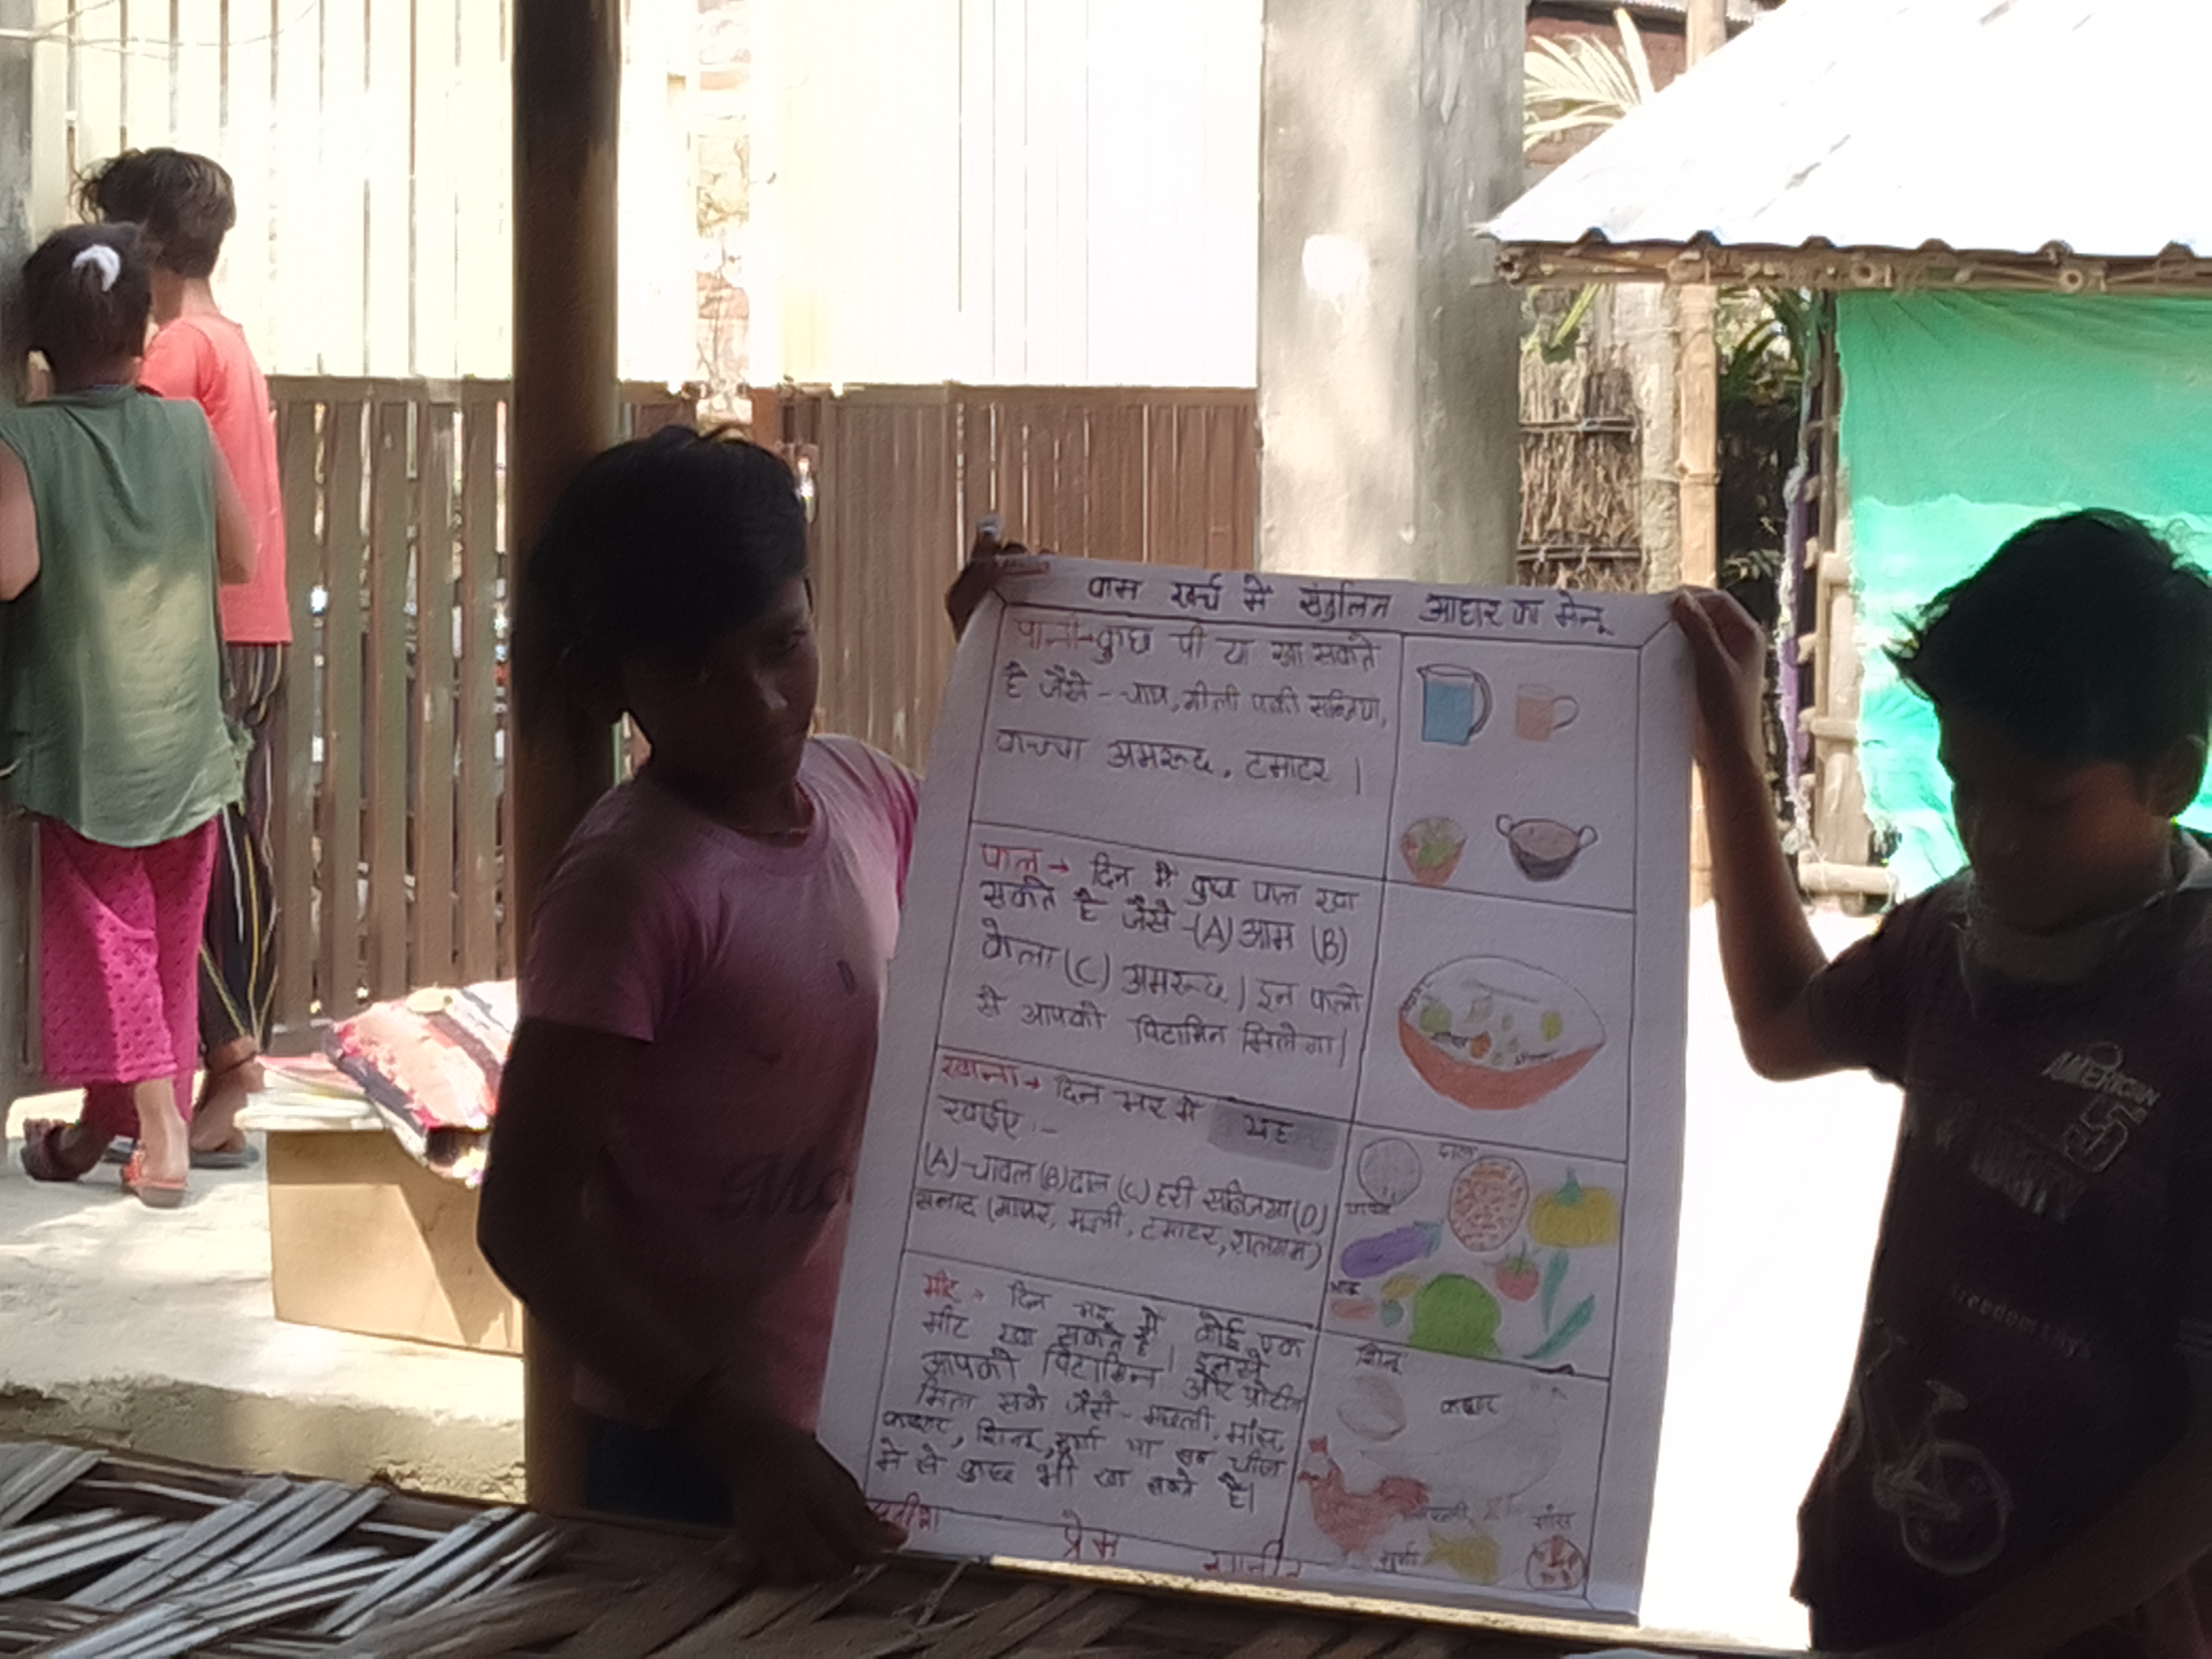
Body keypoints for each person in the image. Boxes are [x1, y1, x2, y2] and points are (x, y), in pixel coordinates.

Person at [477, 431, 1017, 1577]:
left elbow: (1012, 864)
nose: (762, 703)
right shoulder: (629, 890)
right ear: (610, 682)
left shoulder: (864, 792)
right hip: (695, 1452)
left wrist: (1005, 664)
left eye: (783, 645)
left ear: (812, 607)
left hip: (869, 1408)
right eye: (694, 674)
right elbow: (524, 1219)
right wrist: (731, 1434)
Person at [1678, 511, 2212, 1657]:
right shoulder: (1953, 932)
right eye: (1967, 788)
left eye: (2043, 803)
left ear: (2171, 774)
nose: (1992, 838)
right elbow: (1780, 1027)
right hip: (1879, 1581)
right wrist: (1727, 735)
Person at [2, 224, 257, 1208]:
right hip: (187, 738)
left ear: (37, 342)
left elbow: (11, 571)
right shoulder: (186, 429)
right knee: (167, 947)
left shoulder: (24, 439)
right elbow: (238, 557)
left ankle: (162, 1133)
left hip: (87, 746)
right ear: (146, 332)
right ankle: (102, 1131)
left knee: (111, 943)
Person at [78, 148, 287, 1168]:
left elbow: (134, 472)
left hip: (202, 630)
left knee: (179, 846)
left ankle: (232, 1054)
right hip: (258, 624)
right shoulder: (228, 342)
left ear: (140, 245)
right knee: (231, 842)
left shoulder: (172, 359)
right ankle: (226, 1069)